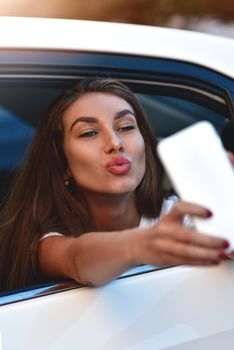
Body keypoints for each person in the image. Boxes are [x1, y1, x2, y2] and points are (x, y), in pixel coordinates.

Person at [0, 78, 229, 292]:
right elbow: (77, 259)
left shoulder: (183, 217)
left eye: (126, 127)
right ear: (63, 165)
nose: (115, 143)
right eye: (89, 133)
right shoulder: (44, 243)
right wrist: (139, 245)